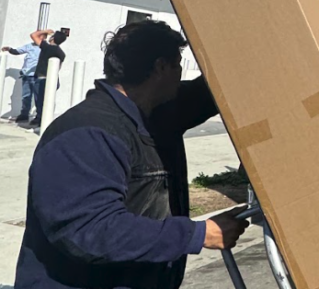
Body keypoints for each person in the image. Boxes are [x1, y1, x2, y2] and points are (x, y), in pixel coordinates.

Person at [15, 20, 248, 289]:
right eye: (177, 65)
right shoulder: (87, 133)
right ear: (161, 67)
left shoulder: (154, 115)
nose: (180, 75)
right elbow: (92, 230)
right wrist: (197, 234)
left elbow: (207, 93)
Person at [2, 29, 46, 123]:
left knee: (38, 98)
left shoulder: (45, 48)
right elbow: (17, 51)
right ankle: (24, 114)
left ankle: (39, 117)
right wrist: (9, 49)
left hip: (37, 76)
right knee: (26, 96)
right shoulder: (29, 46)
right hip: (26, 75)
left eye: (40, 36)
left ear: (44, 37)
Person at [32, 31, 68, 126]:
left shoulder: (46, 47)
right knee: (48, 101)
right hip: (53, 79)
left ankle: (40, 120)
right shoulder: (61, 53)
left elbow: (33, 35)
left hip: (42, 78)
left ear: (53, 38)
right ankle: (43, 120)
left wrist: (46, 31)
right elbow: (58, 67)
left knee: (39, 101)